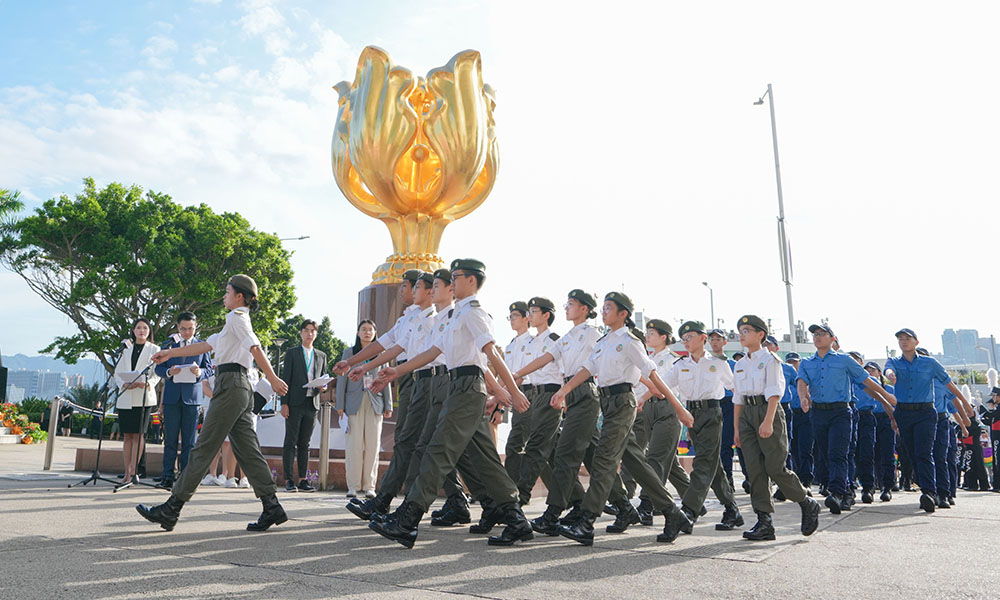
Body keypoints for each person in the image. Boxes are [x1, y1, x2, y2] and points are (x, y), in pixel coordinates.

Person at [367, 258, 534, 549]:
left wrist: (511, 391)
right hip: (458, 386)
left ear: (472, 281)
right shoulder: (456, 315)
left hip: (468, 387)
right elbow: (433, 351)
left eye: (456, 277)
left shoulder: (474, 312)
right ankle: (516, 520)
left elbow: (490, 353)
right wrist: (396, 370)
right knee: (485, 459)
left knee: (438, 451)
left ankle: (408, 520)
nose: (452, 282)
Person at [137, 274, 290, 532]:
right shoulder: (232, 323)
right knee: (248, 450)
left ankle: (171, 508)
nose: (223, 295)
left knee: (203, 447)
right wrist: (169, 354)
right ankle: (272, 505)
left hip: (230, 385)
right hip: (239, 388)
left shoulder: (236, 318)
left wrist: (273, 378)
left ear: (239, 296)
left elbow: (255, 347)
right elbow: (205, 346)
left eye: (227, 291)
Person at [552, 291, 696, 545]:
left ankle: (586, 521)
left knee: (604, 461)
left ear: (623, 314)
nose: (604, 311)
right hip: (607, 403)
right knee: (636, 462)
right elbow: (587, 369)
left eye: (609, 308)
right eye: (604, 307)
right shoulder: (604, 341)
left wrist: (679, 408)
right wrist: (564, 390)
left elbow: (652, 374)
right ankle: (674, 513)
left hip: (622, 402)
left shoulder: (630, 341)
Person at [732, 315, 820, 541]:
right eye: (740, 331)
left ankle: (806, 502)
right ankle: (764, 521)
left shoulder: (771, 360)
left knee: (774, 467)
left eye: (747, 330)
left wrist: (768, 421)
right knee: (754, 470)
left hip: (767, 410)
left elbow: (774, 393)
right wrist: (736, 429)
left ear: (760, 334)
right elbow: (738, 399)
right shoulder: (740, 364)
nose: (742, 334)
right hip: (747, 415)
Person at [527, 289, 607, 534]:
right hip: (572, 393)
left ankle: (552, 514)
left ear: (585, 308)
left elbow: (593, 365)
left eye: (571, 304)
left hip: (583, 391)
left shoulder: (593, 333)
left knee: (565, 454)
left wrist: (565, 390)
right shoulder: (569, 336)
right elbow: (546, 358)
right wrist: (515, 375)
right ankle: (623, 506)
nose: (566, 308)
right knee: (593, 456)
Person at [797, 324, 895, 514]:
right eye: (815, 334)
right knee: (826, 455)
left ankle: (837, 493)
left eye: (822, 334)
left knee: (838, 453)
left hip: (841, 412)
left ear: (832, 339)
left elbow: (865, 381)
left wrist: (887, 397)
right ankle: (847, 489)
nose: (817, 337)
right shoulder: (807, 362)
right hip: (819, 412)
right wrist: (803, 396)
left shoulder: (845, 360)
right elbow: (801, 381)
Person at [662, 320, 744, 533]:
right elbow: (662, 385)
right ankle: (732, 509)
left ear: (702, 338)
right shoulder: (681, 365)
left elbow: (736, 389)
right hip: (690, 415)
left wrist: (740, 421)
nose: (686, 342)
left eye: (690, 337)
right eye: (683, 339)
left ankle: (687, 511)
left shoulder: (717, 363)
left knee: (702, 463)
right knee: (712, 465)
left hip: (712, 414)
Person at [883, 328, 972, 513]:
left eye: (907, 338)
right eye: (900, 339)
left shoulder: (930, 363)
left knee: (925, 453)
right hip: (904, 413)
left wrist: (966, 404)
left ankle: (930, 493)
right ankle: (926, 486)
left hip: (925, 413)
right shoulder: (894, 362)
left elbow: (949, 384)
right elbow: (888, 370)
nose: (903, 341)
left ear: (916, 341)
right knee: (913, 454)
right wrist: (891, 375)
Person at [332, 269, 424, 443]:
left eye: (405, 286)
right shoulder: (404, 319)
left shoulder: (427, 318)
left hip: (420, 378)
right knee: (406, 436)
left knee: (412, 436)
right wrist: (351, 363)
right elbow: (383, 345)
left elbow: (396, 349)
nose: (401, 291)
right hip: (405, 376)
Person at [508, 296, 563, 505]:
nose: (529, 316)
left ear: (546, 315)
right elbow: (520, 373)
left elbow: (564, 370)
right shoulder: (530, 343)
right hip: (534, 395)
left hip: (550, 395)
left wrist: (564, 394)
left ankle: (518, 494)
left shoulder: (554, 340)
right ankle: (574, 497)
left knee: (533, 447)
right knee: (548, 451)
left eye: (533, 312)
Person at [154, 311, 214, 490]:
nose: (187, 332)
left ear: (196, 327)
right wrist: (169, 372)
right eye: (183, 329)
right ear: (177, 327)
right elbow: (158, 369)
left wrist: (200, 373)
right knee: (170, 439)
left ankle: (186, 477)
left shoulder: (202, 346)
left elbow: (209, 369)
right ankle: (167, 476)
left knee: (189, 441)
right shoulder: (169, 345)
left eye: (190, 329)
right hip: (172, 397)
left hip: (192, 398)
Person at [337, 320, 392, 498]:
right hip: (353, 403)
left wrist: (388, 404)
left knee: (373, 445)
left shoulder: (381, 354)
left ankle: (369, 486)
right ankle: (353, 485)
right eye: (364, 330)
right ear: (358, 333)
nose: (367, 332)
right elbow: (341, 381)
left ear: (375, 333)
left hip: (375, 402)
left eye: (370, 330)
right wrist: (340, 405)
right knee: (353, 445)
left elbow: (386, 378)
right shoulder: (349, 353)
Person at [279, 319, 328, 493]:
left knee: (305, 443)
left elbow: (324, 376)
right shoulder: (292, 353)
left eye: (313, 331)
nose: (310, 334)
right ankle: (289, 480)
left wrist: (324, 386)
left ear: (316, 334)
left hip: (312, 403)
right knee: (290, 441)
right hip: (294, 402)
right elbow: (286, 379)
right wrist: (283, 403)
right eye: (306, 330)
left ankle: (303, 479)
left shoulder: (321, 355)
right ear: (300, 332)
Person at [114, 317, 160, 487]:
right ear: (133, 331)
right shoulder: (126, 349)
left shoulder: (155, 349)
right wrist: (123, 383)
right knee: (127, 435)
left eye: (145, 328)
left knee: (139, 434)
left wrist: (148, 383)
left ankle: (134, 472)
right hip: (127, 395)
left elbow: (157, 373)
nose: (141, 331)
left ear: (149, 332)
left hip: (143, 396)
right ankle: (126, 471)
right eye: (138, 328)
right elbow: (117, 372)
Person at [502, 301, 535, 485]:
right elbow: (506, 372)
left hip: (529, 394)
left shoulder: (533, 342)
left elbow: (523, 374)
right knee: (531, 444)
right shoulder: (510, 345)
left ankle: (512, 489)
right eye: (510, 316)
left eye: (515, 316)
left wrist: (508, 389)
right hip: (515, 394)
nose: (511, 320)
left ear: (526, 318)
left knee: (515, 443)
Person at [708, 329, 739, 490]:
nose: (714, 342)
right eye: (712, 339)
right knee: (712, 444)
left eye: (718, 339)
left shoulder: (733, 365)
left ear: (724, 342)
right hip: (712, 404)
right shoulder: (705, 362)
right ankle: (715, 479)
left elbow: (737, 388)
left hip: (730, 404)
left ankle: (727, 479)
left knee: (726, 443)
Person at [864, 362, 897, 501]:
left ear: (879, 373)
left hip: (886, 419)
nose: (870, 373)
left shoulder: (888, 389)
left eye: (873, 370)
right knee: (870, 453)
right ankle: (872, 484)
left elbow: (894, 405)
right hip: (871, 418)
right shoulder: (864, 387)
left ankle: (887, 486)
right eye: (867, 371)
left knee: (887, 453)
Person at [785, 352, 814, 490]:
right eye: (789, 362)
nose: (792, 365)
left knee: (805, 448)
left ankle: (806, 479)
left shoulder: (805, 381)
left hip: (806, 415)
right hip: (792, 414)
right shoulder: (787, 382)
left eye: (795, 362)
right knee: (793, 448)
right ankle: (795, 478)